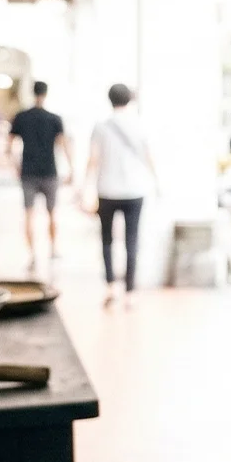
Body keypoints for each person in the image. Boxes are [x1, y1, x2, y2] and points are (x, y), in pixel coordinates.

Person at [82, 83, 157, 307]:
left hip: (107, 190)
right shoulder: (139, 124)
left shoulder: (101, 126)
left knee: (106, 239)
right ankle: (130, 292)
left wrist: (85, 186)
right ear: (129, 99)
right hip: (134, 190)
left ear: (110, 99)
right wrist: (156, 182)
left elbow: (93, 158)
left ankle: (110, 286)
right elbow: (148, 156)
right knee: (132, 240)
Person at [8, 80, 72, 268]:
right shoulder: (54, 119)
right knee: (52, 213)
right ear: (46, 93)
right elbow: (64, 144)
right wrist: (72, 168)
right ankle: (53, 249)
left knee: (29, 214)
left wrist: (16, 166)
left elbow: (9, 145)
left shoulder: (21, 117)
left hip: (28, 172)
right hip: (49, 171)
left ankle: (32, 255)